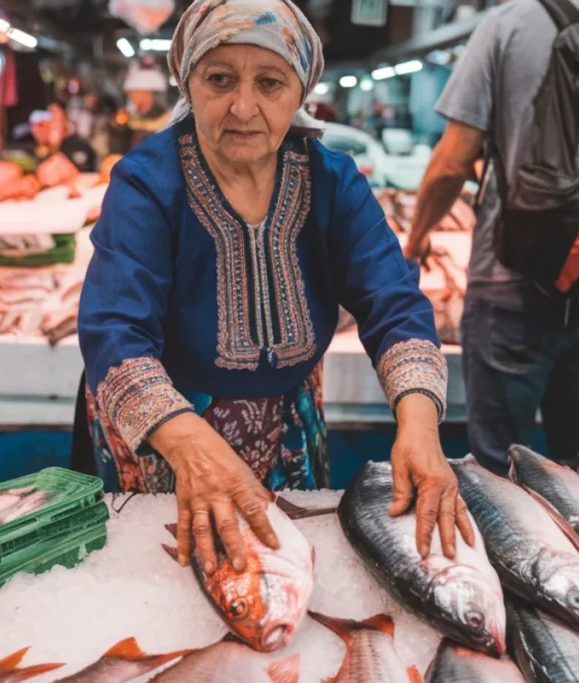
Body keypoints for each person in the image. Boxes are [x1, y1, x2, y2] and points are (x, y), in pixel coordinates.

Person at [75, 0, 474, 575]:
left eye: (269, 82)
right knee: (172, 580)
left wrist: (418, 424)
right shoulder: (146, 181)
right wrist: (186, 443)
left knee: (289, 573)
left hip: (287, 419)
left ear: (301, 92)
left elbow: (392, 301)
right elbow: (114, 327)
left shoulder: (332, 179)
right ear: (188, 83)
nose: (243, 106)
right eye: (219, 79)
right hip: (164, 429)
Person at [404, 0, 579, 471]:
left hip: (514, 283)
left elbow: (452, 162)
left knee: (500, 466)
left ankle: (510, 545)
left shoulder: (510, 23)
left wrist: (417, 238)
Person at [107, 59, 173, 155]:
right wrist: (118, 128)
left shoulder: (168, 120)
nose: (131, 97)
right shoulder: (129, 118)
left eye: (134, 93)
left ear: (147, 94)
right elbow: (117, 154)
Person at [27, 103, 98, 173]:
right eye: (33, 127)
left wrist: (55, 141)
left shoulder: (79, 146)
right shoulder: (35, 150)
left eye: (41, 125)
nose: (36, 131)